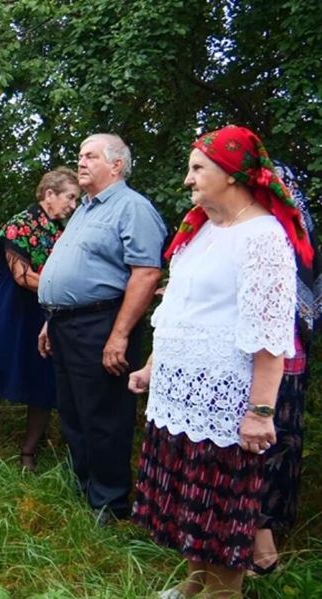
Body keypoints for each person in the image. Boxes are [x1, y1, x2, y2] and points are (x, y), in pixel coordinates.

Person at [128, 125, 309, 597]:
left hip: (225, 405)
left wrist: (260, 412)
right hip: (178, 395)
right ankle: (194, 584)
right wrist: (152, 365)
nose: (187, 180)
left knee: (221, 513)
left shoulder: (263, 237)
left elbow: (270, 338)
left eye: (197, 168)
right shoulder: (202, 228)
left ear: (232, 174)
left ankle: (221, 592)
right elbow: (179, 310)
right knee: (191, 504)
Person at [36, 133, 166, 523]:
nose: (81, 163)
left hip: (102, 323)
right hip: (65, 324)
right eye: (80, 155)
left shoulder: (132, 208)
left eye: (90, 156)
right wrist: (50, 319)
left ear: (117, 165)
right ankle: (85, 487)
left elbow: (145, 273)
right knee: (74, 410)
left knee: (105, 413)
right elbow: (73, 267)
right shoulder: (85, 209)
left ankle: (110, 502)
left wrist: (120, 334)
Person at [0, 167, 79, 470]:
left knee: (42, 380)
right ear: (49, 195)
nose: (73, 205)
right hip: (9, 309)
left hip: (44, 312)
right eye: (69, 197)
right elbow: (22, 276)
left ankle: (28, 454)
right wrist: (67, 290)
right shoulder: (19, 224)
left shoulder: (64, 232)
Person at [251, 162, 321, 574]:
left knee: (277, 443)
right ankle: (256, 536)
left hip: (283, 358)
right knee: (264, 444)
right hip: (266, 358)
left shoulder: (288, 232)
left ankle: (268, 538)